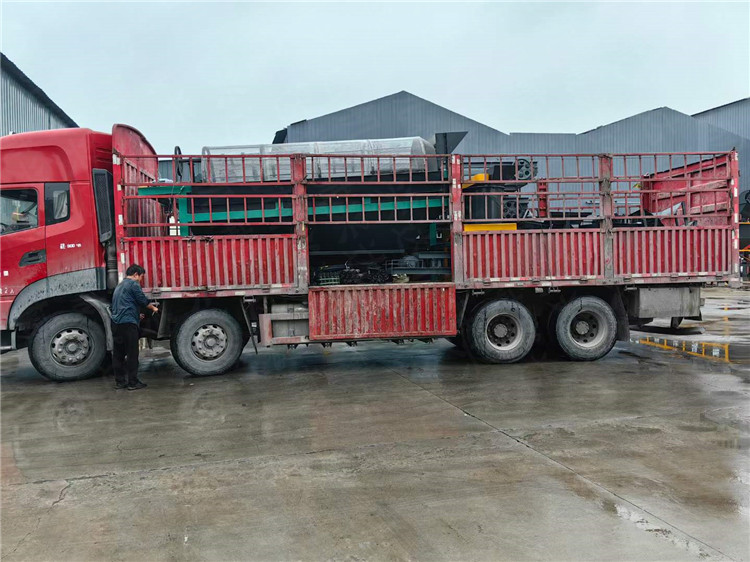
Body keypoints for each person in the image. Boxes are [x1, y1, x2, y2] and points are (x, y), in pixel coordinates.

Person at [111, 264, 158, 390]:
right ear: (136, 274)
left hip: (116, 324)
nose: (141, 280)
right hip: (128, 324)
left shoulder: (120, 285)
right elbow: (142, 300)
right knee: (132, 354)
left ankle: (120, 382)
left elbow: (124, 304)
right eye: (141, 277)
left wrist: (137, 315)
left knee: (118, 354)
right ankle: (133, 382)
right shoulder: (133, 284)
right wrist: (153, 308)